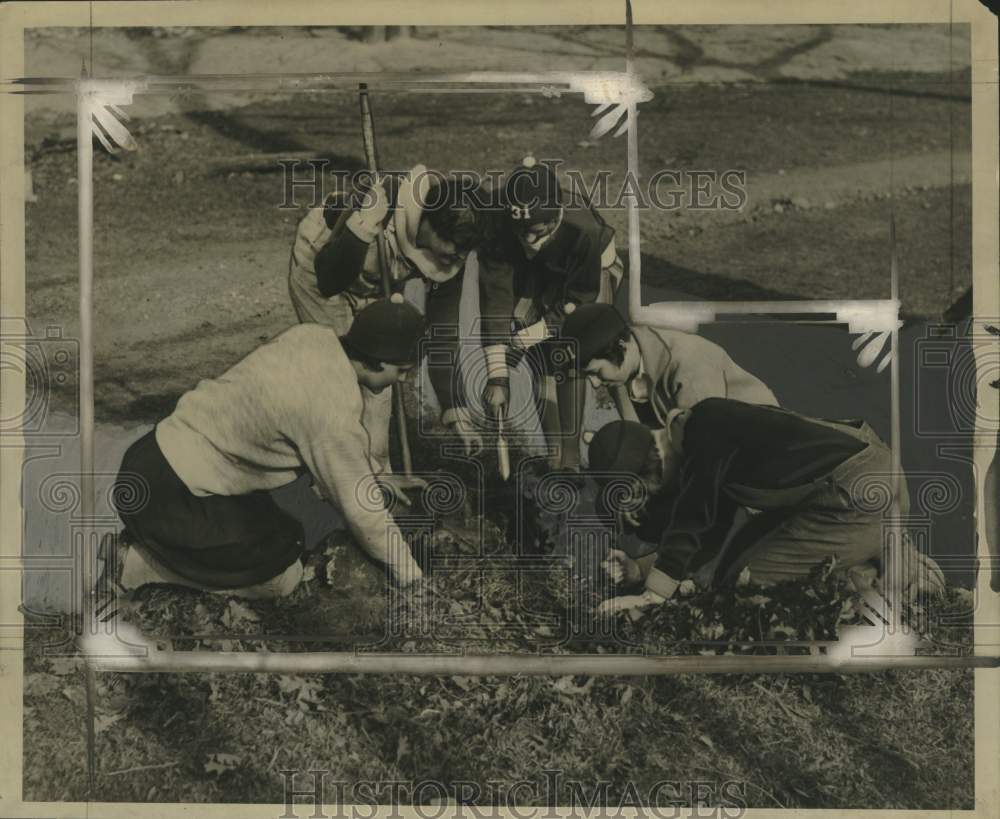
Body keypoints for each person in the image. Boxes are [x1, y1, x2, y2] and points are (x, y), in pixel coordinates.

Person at [104, 297, 428, 602]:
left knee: (285, 534)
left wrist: (374, 476)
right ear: (379, 361)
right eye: (401, 371)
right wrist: (411, 578)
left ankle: (159, 547)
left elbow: (336, 450)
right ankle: (134, 566)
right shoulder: (331, 411)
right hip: (171, 495)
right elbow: (362, 511)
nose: (402, 380)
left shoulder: (311, 337)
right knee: (282, 577)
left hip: (148, 459)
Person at [588, 400, 946, 616]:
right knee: (736, 564)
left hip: (855, 494)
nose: (655, 496)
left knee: (743, 586)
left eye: (646, 490)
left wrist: (654, 595)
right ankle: (885, 550)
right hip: (867, 479)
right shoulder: (703, 426)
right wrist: (638, 568)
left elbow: (693, 519)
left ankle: (891, 578)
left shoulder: (702, 434)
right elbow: (710, 533)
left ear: (651, 463)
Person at [288, 164, 484, 454]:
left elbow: (443, 331)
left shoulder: (454, 250)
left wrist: (456, 409)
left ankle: (379, 469)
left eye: (467, 250)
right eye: (455, 245)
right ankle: (333, 463)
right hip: (326, 271)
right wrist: (363, 226)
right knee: (341, 372)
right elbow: (330, 280)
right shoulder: (380, 202)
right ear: (429, 224)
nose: (459, 255)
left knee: (382, 372)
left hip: (380, 282)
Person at [477, 157, 625, 469]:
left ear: (555, 215)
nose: (529, 240)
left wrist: (533, 335)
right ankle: (553, 450)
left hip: (585, 276)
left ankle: (570, 457)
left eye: (537, 229)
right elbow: (496, 297)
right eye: (522, 231)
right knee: (536, 354)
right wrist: (497, 376)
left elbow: (579, 301)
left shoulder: (582, 230)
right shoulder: (496, 224)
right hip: (534, 273)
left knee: (569, 351)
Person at [559, 303, 778, 433]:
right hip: (713, 442)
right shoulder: (633, 360)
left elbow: (705, 447)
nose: (595, 383)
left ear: (621, 346)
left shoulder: (686, 366)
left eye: (596, 373)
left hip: (760, 441)